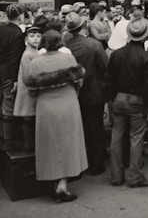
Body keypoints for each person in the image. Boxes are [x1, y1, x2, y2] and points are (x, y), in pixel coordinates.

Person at [24, 30, 87, 202]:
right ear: (59, 42)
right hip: (68, 103)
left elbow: (31, 91)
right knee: (68, 143)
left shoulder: (36, 63)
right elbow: (78, 82)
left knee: (49, 144)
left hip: (46, 107)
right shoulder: (68, 59)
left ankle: (54, 181)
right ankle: (62, 184)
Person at [106, 17, 148, 188]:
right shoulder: (146, 58)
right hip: (137, 100)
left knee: (117, 136)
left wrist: (112, 99)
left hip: (119, 98)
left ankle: (115, 175)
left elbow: (109, 79)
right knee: (136, 138)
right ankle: (134, 176)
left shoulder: (116, 54)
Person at [64, 12, 108, 176]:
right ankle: (97, 161)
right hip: (94, 91)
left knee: (80, 127)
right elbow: (105, 67)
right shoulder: (94, 45)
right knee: (96, 126)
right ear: (83, 26)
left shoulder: (66, 46)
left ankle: (83, 160)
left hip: (74, 93)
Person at [0, 4, 26, 151]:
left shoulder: (1, 29)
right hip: (8, 72)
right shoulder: (17, 34)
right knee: (8, 105)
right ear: (20, 16)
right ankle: (7, 141)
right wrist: (15, 79)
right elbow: (15, 58)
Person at [13, 25, 41, 151]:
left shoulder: (35, 52)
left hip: (31, 90)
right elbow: (27, 75)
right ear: (26, 40)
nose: (35, 39)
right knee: (28, 117)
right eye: (32, 36)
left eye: (38, 36)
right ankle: (29, 145)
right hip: (28, 91)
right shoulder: (28, 54)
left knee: (31, 117)